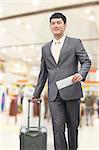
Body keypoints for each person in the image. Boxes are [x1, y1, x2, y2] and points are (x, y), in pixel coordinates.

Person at [32, 12, 91, 150]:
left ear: (65, 25)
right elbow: (43, 73)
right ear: (50, 26)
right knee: (57, 129)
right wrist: (36, 93)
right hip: (54, 94)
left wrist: (81, 74)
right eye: (53, 23)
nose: (55, 25)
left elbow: (86, 61)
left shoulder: (75, 42)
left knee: (72, 128)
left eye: (58, 23)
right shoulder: (45, 48)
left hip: (72, 92)